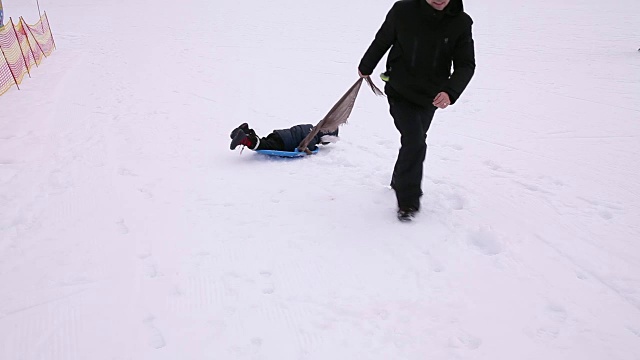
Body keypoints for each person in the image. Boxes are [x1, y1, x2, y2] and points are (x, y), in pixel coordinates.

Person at [358, 0, 475, 221]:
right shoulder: (403, 11)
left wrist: (450, 91)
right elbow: (384, 39)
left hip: (431, 97)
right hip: (400, 90)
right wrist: (366, 66)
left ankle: (399, 179)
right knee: (414, 140)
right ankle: (408, 202)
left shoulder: (460, 22)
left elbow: (465, 64)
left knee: (415, 138)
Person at [230, 123, 338, 152]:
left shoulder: (310, 127)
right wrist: (311, 148)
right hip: (284, 143)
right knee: (263, 145)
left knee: (265, 141)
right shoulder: (312, 138)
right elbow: (305, 147)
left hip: (280, 135)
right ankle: (245, 139)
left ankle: (246, 130)